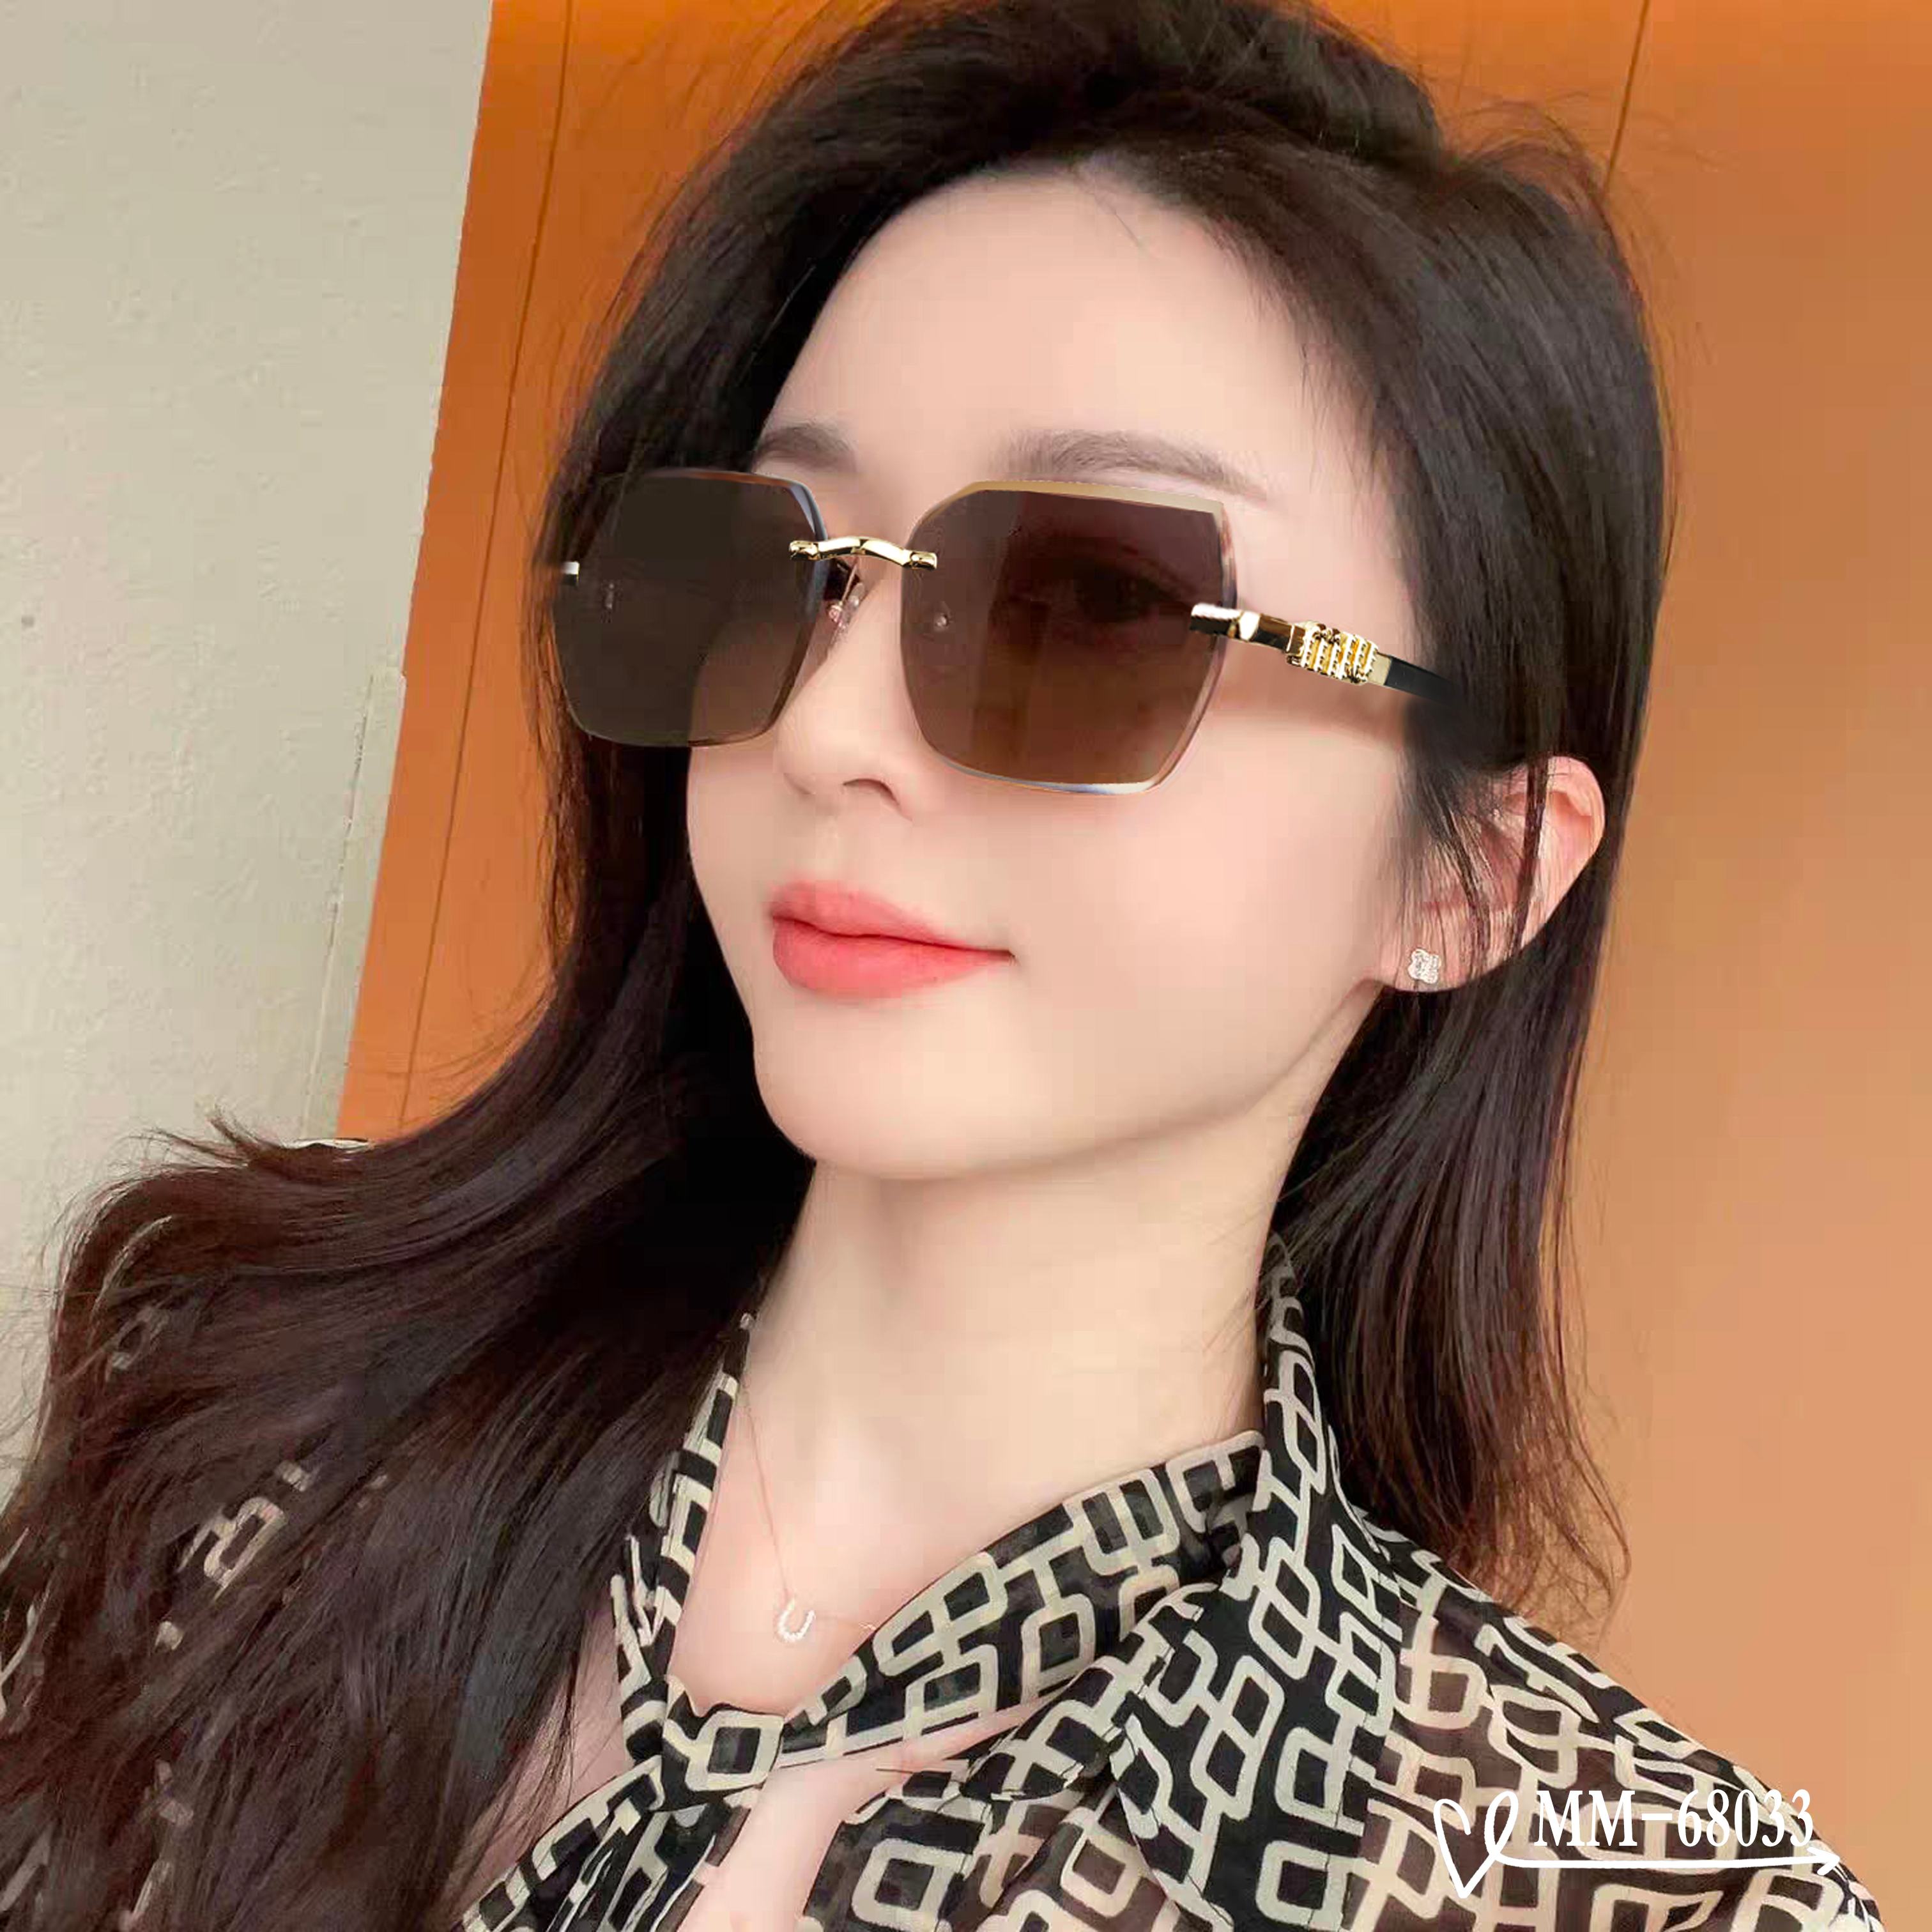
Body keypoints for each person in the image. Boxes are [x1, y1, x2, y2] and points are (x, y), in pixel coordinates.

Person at [0, 1, 1885, 1928]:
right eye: (785, 572)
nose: (827, 728)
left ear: (1473, 873)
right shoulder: (241, 1429)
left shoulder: (1642, 1892)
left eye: (1091, 609)